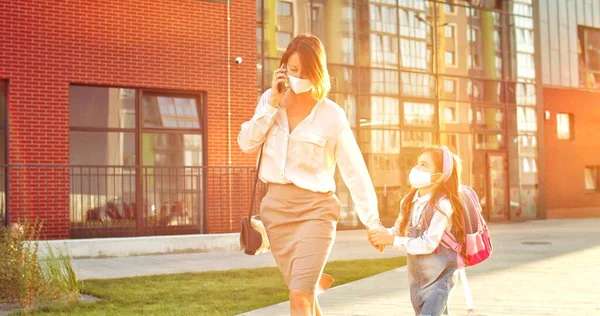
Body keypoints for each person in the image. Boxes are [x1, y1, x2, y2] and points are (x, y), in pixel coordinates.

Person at [238, 34, 384, 316]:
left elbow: (354, 170)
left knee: (299, 297)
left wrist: (372, 221)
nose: (298, 77)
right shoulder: (270, 102)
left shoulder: (332, 115)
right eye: (293, 70)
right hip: (276, 214)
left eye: (306, 72)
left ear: (318, 72)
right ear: (282, 68)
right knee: (305, 297)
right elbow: (246, 143)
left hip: (316, 212)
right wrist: (271, 104)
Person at [369, 146, 467, 316]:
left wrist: (391, 240)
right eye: (417, 163)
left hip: (440, 280)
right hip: (417, 280)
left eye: (424, 165)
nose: (416, 168)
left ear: (438, 176)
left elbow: (428, 244)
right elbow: (399, 230)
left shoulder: (443, 205)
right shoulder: (409, 201)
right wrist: (382, 236)